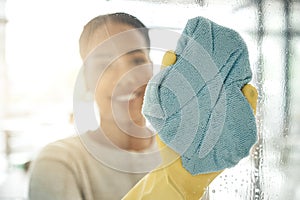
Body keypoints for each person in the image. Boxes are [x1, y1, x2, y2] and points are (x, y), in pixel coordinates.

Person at [28, 12, 161, 200]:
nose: (125, 78)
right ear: (86, 81)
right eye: (104, 65)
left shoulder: (181, 155)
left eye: (136, 61)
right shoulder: (60, 162)